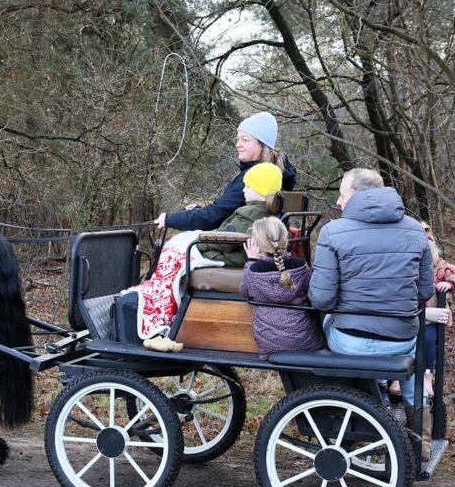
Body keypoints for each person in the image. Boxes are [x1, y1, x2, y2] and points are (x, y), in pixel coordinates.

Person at [308, 168, 435, 456]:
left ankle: (361, 413)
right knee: (411, 358)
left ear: (356, 195)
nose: (339, 203)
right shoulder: (415, 229)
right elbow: (425, 291)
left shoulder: (333, 232)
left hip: (351, 341)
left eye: (342, 195)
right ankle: (421, 439)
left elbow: (322, 300)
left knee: (327, 324)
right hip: (402, 338)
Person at [123, 163, 283, 341]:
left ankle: (159, 309)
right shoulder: (259, 211)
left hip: (228, 256)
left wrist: (198, 243)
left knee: (176, 251)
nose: (243, 190)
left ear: (260, 190)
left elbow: (225, 241)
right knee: (179, 245)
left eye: (248, 186)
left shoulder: (250, 213)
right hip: (234, 254)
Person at [155, 112, 297, 231]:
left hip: (240, 247)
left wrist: (170, 218)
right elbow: (227, 211)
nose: (238, 144)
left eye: (245, 140)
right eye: (238, 139)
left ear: (262, 145)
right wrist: (198, 209)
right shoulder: (275, 174)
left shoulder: (256, 178)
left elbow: (213, 218)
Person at [389, 222, 455, 399]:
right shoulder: (403, 264)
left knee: (429, 339)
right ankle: (397, 378)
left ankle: (426, 375)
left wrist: (450, 283)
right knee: (403, 341)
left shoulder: (438, 265)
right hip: (408, 317)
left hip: (431, 318)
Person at [239, 216, 324, 359]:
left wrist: (251, 261)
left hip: (269, 342)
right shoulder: (301, 266)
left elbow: (245, 292)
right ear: (286, 239)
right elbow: (311, 292)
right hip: (304, 337)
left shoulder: (252, 271)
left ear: (257, 244)